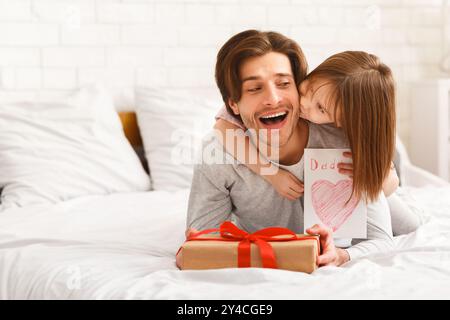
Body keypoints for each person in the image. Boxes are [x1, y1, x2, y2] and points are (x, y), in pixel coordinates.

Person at [185, 30, 394, 267]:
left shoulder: (344, 143)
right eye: (254, 88)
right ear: (233, 104)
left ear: (298, 85)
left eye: (284, 83)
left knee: (406, 219)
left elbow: (381, 239)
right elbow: (198, 245)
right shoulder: (218, 152)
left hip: (374, 194)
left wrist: (342, 255)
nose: (273, 99)